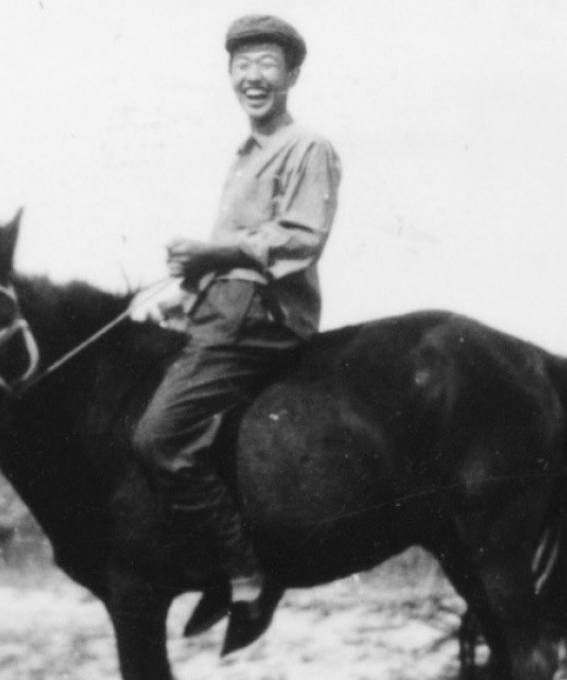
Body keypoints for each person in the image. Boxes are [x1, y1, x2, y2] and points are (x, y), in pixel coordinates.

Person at [132, 14, 341, 624]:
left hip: (265, 316)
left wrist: (212, 254)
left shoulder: (308, 147)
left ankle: (243, 567)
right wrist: (189, 289)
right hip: (229, 306)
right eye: (242, 66)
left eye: (267, 66)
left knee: (159, 436)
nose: (254, 77)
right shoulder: (247, 154)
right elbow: (232, 258)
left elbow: (301, 239)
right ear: (229, 75)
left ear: (292, 75)